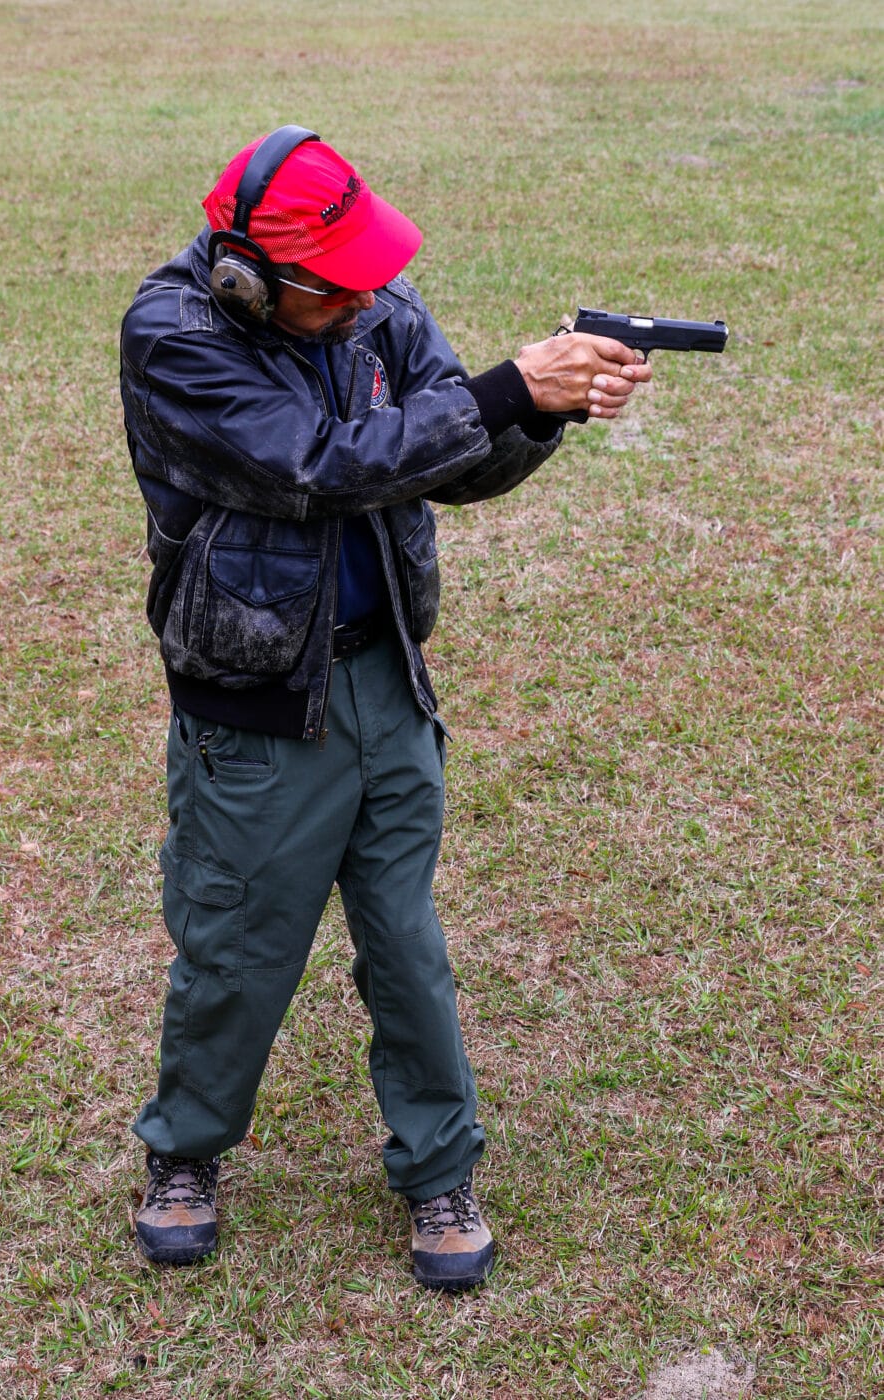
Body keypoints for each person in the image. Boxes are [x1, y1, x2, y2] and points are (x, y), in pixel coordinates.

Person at [119, 125, 651, 1290]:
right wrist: (507, 385)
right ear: (249, 275)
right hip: (256, 707)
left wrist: (544, 409)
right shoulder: (173, 339)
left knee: (407, 945)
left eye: (373, 272)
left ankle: (438, 1165)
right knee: (235, 951)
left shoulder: (369, 305)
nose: (371, 298)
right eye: (341, 281)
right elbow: (318, 462)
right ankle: (185, 1154)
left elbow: (448, 463)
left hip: (387, 682)